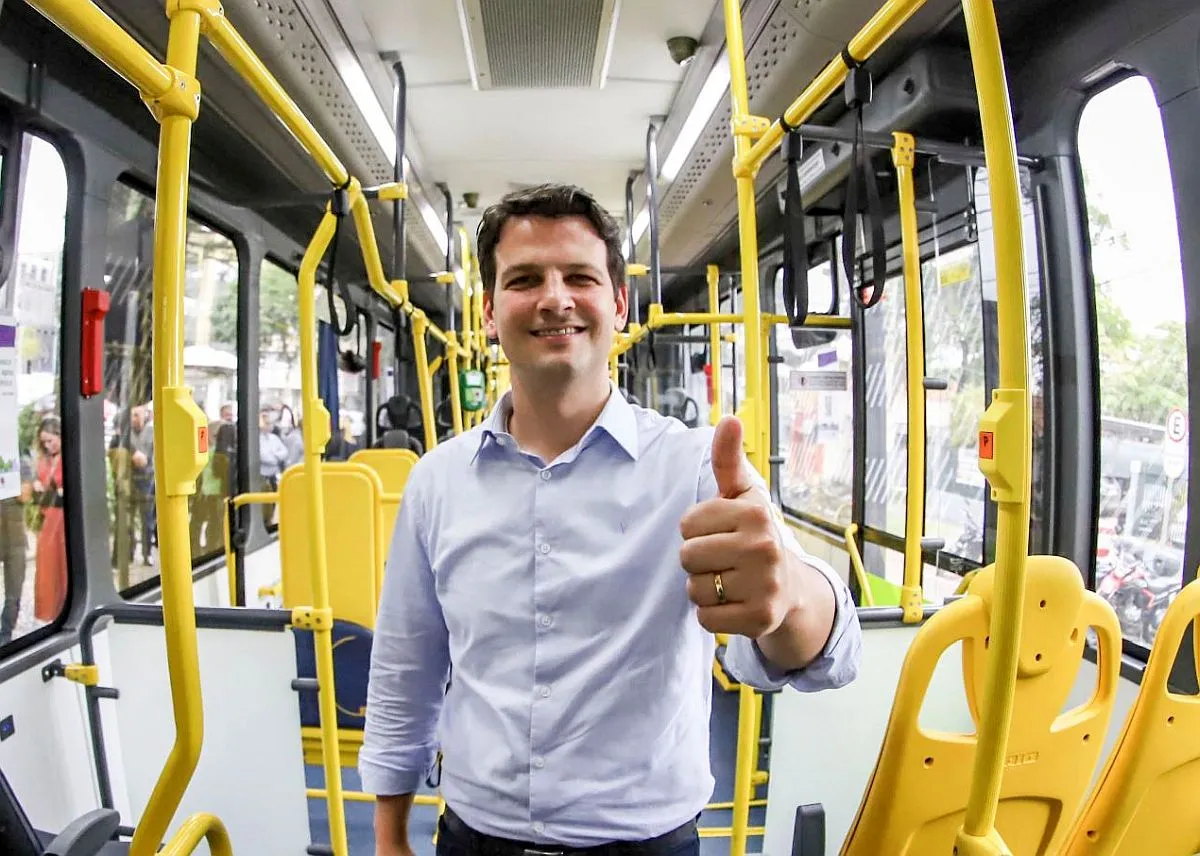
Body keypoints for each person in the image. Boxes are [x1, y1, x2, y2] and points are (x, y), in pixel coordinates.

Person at [359, 184, 862, 856]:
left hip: (647, 845)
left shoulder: (696, 468)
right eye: (525, 279)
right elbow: (405, 672)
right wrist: (390, 839)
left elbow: (829, 653)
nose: (555, 298)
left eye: (580, 277)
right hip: (473, 839)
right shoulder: (436, 484)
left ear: (618, 304)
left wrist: (791, 597)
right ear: (488, 312)